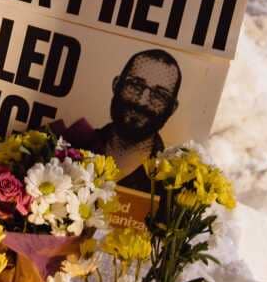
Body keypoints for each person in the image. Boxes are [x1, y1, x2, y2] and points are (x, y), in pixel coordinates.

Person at [59, 49, 182, 192]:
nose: (142, 101)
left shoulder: (172, 183)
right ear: (116, 85)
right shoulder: (71, 146)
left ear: (172, 108)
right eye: (135, 85)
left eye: (160, 95)